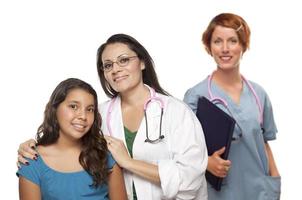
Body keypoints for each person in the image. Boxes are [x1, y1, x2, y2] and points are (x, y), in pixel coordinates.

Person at [17, 34, 208, 199]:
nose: (115, 69)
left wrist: (128, 163)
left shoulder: (177, 112)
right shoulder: (96, 114)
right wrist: (31, 146)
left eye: (123, 60)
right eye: (108, 65)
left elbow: (191, 178)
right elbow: (65, 142)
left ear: (142, 62)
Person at [183, 13, 281, 199]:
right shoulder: (196, 96)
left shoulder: (258, 94)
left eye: (233, 41)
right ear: (209, 47)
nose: (225, 49)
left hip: (260, 192)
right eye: (218, 41)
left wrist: (275, 181)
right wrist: (206, 162)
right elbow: (182, 150)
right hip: (219, 193)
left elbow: (264, 143)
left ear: (244, 45)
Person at [17, 78, 127, 200]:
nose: (83, 116)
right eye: (73, 106)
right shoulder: (32, 161)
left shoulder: (105, 155)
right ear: (55, 109)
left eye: (89, 109)